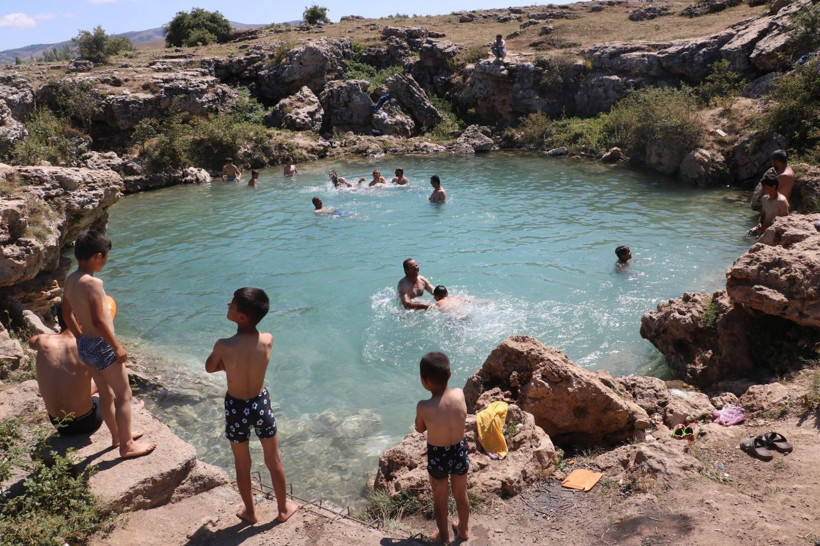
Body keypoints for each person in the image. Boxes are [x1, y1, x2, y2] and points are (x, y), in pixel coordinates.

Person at [205, 287, 300, 524]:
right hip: (260, 404)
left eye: (232, 303)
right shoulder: (268, 340)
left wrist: (228, 365)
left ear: (241, 317)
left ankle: (250, 511)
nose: (228, 304)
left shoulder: (223, 345)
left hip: (236, 407)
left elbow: (210, 367)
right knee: (273, 459)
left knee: (242, 463)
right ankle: (283, 509)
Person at [62, 230, 155, 459]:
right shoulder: (93, 283)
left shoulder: (71, 279)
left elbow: (66, 313)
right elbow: (98, 321)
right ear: (98, 256)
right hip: (102, 346)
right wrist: (116, 347)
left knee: (105, 393)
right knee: (124, 395)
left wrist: (79, 337)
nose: (105, 261)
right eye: (106, 257)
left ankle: (118, 437)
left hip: (86, 345)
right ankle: (127, 446)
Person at [415, 352, 470, 543]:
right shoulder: (460, 394)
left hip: (438, 455)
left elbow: (420, 428)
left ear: (424, 381)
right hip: (459, 450)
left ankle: (443, 537)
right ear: (450, 374)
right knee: (461, 494)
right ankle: (463, 530)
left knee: (440, 498)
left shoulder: (424, 406)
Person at [30, 305, 105, 436]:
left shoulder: (41, 340)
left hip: (58, 424)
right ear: (80, 320)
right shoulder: (86, 345)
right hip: (87, 422)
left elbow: (31, 342)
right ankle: (125, 417)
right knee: (105, 383)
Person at [749, 170, 789, 236]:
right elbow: (763, 214)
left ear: (773, 186)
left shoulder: (781, 201)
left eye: (765, 186)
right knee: (749, 233)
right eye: (762, 186)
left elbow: (785, 220)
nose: (763, 189)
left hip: (774, 229)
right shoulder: (764, 198)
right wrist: (760, 223)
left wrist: (767, 227)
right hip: (763, 227)